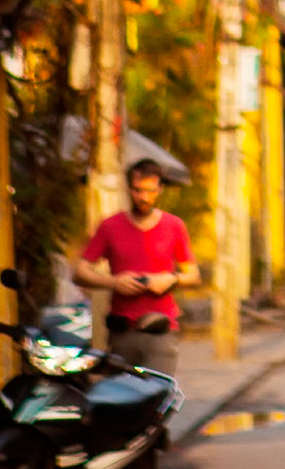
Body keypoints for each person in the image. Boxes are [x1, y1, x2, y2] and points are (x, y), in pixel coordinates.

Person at [73, 159, 198, 371]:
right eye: (138, 190)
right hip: (122, 333)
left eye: (151, 191)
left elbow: (193, 275)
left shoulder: (173, 226)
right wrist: (114, 282)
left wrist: (171, 279)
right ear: (129, 189)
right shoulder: (110, 226)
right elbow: (80, 272)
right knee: (121, 398)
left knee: (156, 396)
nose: (144, 197)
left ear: (160, 190)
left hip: (161, 331)